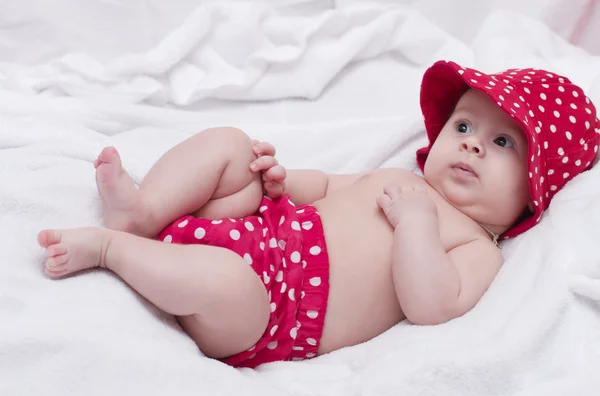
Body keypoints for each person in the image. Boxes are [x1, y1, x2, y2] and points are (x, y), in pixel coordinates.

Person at [37, 60, 599, 368]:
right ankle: (142, 210)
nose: (474, 144)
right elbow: (328, 185)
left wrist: (416, 227)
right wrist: (281, 181)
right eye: (464, 126)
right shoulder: (399, 177)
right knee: (232, 144)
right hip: (260, 224)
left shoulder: (476, 247)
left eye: (505, 144)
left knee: (226, 281)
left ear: (535, 190)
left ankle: (113, 249)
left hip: (270, 311)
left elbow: (432, 307)